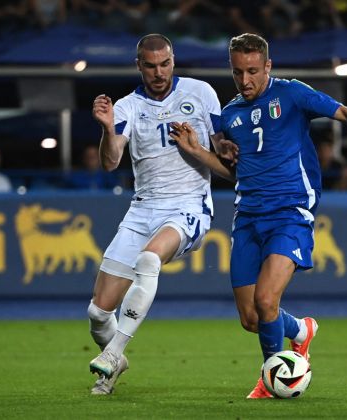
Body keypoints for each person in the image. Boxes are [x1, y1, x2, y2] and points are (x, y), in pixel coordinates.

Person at [169, 33, 347, 399]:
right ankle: (301, 330)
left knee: (265, 300)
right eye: (238, 72)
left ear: (268, 67)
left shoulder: (292, 94)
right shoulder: (230, 114)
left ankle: (271, 376)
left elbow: (344, 111)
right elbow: (234, 173)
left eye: (253, 71)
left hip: (290, 212)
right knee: (251, 319)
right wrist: (196, 150)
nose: (246, 81)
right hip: (248, 218)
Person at [86, 33, 223, 396]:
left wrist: (198, 148)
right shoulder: (128, 106)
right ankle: (114, 361)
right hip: (141, 208)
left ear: (173, 61)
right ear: (139, 66)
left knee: (149, 259)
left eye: (165, 64)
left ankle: (114, 354)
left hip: (187, 205)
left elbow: (227, 157)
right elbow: (111, 160)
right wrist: (105, 128)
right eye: (151, 66)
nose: (159, 72)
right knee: (98, 315)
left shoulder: (201, 93)